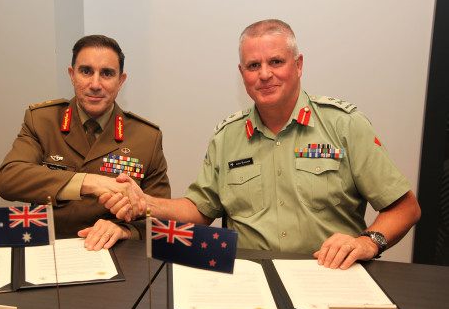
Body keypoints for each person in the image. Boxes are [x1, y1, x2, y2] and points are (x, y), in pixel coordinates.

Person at [100, 19, 421, 269]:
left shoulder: (344, 126)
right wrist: (146, 203)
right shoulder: (227, 137)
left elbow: (405, 207)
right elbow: (200, 210)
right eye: (254, 66)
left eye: (276, 62)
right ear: (243, 74)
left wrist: (369, 242)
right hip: (248, 280)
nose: (264, 74)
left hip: (329, 275)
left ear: (298, 65)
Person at [0, 35, 171, 250]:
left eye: (107, 73)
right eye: (86, 71)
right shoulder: (42, 121)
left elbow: (162, 218)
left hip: (112, 252)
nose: (95, 84)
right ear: (72, 75)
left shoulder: (147, 137)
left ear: (121, 80)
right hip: (49, 248)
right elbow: (8, 179)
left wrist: (126, 230)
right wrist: (92, 182)